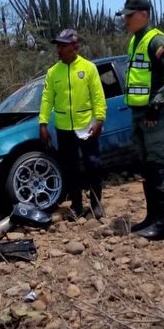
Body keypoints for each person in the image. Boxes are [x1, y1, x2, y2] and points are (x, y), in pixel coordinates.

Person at [116, 0, 164, 240]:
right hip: (138, 113)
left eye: (129, 16)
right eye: (125, 16)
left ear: (143, 15)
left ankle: (162, 225)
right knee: (146, 167)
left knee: (157, 167)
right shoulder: (135, 40)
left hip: (155, 115)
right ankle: (151, 218)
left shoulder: (155, 39)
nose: (126, 20)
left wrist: (157, 102)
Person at [38, 29, 107, 218]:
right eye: (58, 46)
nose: (59, 49)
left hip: (86, 126)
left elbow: (98, 96)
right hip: (64, 129)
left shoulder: (89, 68)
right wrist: (43, 123)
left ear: (74, 47)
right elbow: (47, 99)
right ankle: (76, 205)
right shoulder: (53, 72)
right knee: (70, 168)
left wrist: (99, 120)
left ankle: (96, 204)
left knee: (93, 165)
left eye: (63, 45)